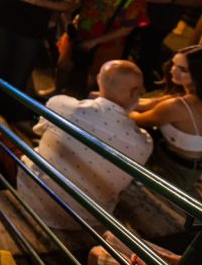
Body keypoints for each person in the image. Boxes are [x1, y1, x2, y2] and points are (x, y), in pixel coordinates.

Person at [15, 60, 152, 232]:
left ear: (99, 80)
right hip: (88, 217)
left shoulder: (61, 105)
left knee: (3, 130)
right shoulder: (144, 143)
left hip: (35, 199)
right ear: (135, 93)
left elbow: (38, 130)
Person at [55, 0, 150, 95]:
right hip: (78, 35)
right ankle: (56, 93)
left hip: (107, 44)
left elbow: (126, 30)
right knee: (63, 66)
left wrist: (94, 42)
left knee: (96, 78)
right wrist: (67, 24)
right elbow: (71, 4)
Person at [130, 45, 202, 188]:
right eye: (174, 64)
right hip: (190, 166)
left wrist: (112, 99)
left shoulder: (177, 106)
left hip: (174, 170)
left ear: (201, 75)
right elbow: (149, 103)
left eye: (183, 70)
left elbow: (137, 119)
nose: (173, 70)